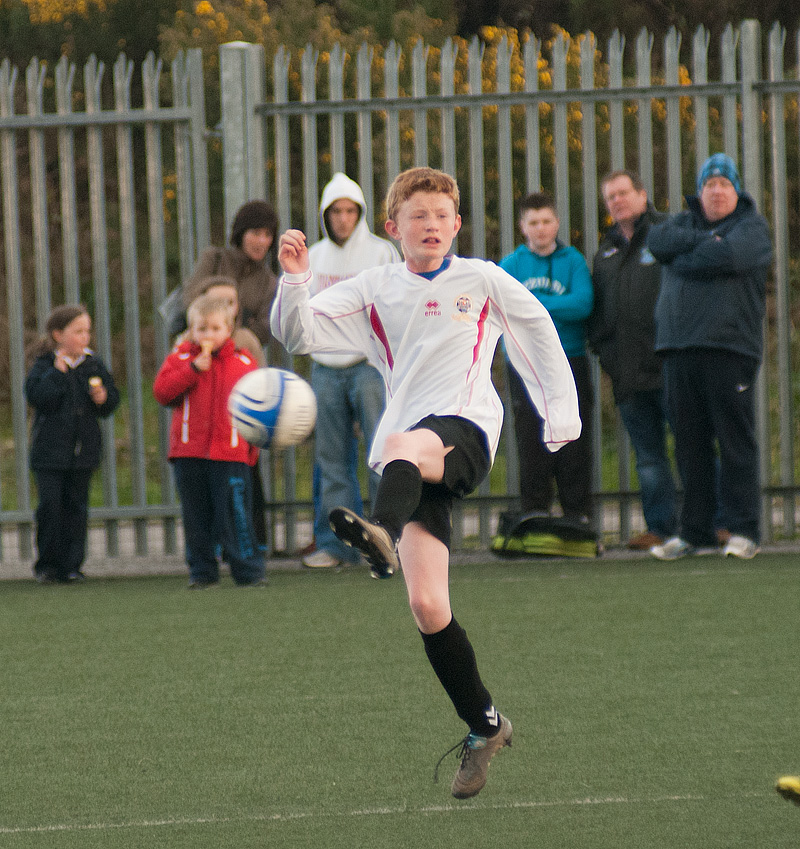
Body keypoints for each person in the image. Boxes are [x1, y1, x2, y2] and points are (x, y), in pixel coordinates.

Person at [272, 167, 580, 798]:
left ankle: (377, 531)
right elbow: (299, 333)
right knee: (428, 607)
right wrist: (296, 277)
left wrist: (560, 414)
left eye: (442, 215)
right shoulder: (374, 287)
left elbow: (539, 331)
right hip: (410, 465)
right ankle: (485, 726)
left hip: (465, 431)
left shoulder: (484, 279)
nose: (432, 225)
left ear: (458, 224)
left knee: (398, 446)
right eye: (418, 216)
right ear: (393, 228)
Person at [647, 153, 772, 561]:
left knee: (735, 442)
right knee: (689, 444)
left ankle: (744, 530)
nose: (716, 191)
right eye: (709, 185)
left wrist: (692, 255)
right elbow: (658, 242)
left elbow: (732, 256)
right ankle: (695, 532)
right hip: (678, 348)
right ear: (699, 192)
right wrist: (707, 243)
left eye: (724, 184)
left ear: (737, 191)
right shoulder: (684, 223)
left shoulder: (751, 228)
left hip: (729, 348)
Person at [301, 172, 401, 570]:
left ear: (359, 212)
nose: (342, 218)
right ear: (325, 215)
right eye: (335, 211)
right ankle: (336, 546)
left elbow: (394, 306)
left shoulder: (381, 253)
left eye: (350, 210)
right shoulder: (314, 256)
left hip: (368, 367)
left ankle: (388, 538)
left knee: (382, 455)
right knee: (332, 460)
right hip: (325, 367)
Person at [498, 191, 594, 553]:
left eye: (547, 221)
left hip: (569, 361)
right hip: (526, 366)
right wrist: (554, 306)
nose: (541, 228)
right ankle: (535, 515)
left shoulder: (573, 262)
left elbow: (582, 303)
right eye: (533, 222)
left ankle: (577, 516)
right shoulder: (510, 265)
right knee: (531, 440)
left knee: (573, 438)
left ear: (557, 223)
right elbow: (505, 308)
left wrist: (534, 305)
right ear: (523, 227)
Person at [589, 170, 678, 550]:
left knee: (694, 448)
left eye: (623, 193)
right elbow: (597, 315)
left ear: (642, 195)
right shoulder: (605, 252)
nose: (617, 201)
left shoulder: (668, 235)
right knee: (649, 459)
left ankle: (712, 523)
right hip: (627, 376)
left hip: (671, 368)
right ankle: (660, 528)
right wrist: (607, 356)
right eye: (610, 197)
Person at [153, 294, 266, 587]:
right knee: (196, 517)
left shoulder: (243, 362)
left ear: (229, 330)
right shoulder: (179, 359)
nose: (209, 335)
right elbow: (163, 392)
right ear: (191, 330)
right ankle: (202, 572)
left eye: (216, 329)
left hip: (230, 453)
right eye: (202, 329)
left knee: (236, 515)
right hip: (189, 454)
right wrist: (192, 371)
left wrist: (250, 449)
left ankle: (248, 571)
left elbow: (255, 408)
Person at [24, 304, 120, 583]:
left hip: (83, 452)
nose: (84, 337)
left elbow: (110, 401)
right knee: (50, 507)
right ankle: (48, 566)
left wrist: (104, 397)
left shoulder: (93, 364)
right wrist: (57, 373)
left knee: (76, 507)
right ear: (57, 334)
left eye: (87, 331)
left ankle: (72, 566)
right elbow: (38, 397)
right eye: (77, 331)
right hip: (49, 454)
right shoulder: (44, 365)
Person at [183, 199, 280, 357]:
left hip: (238, 354)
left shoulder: (268, 281)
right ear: (241, 233)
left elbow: (265, 328)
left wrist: (230, 339)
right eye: (256, 233)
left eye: (268, 235)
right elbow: (190, 299)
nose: (262, 241)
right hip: (199, 349)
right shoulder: (214, 259)